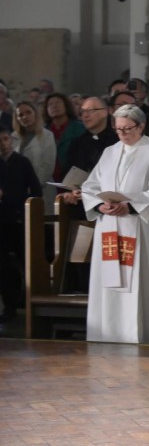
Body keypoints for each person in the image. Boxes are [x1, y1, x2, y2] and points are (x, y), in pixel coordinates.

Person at [80, 105, 149, 344]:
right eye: (118, 128)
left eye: (127, 129)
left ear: (141, 126)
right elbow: (90, 186)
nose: (121, 133)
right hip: (109, 225)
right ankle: (104, 335)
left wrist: (130, 206)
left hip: (138, 225)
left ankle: (138, 336)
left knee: (136, 285)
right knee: (107, 285)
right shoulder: (110, 151)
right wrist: (100, 205)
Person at [0, 125, 42, 322]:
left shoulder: (22, 162)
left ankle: (31, 302)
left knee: (26, 261)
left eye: (5, 139)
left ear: (11, 140)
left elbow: (35, 190)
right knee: (4, 265)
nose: (2, 144)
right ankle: (9, 304)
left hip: (19, 219)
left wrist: (18, 201)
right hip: (1, 221)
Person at [60, 97, 119, 208]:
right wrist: (70, 191)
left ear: (105, 112)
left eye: (90, 111)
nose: (85, 115)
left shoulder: (118, 141)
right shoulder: (77, 143)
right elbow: (67, 173)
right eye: (82, 112)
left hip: (111, 203)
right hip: (81, 204)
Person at [13, 100, 56, 208]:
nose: (24, 117)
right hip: (17, 191)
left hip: (42, 189)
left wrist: (32, 187)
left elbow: (47, 166)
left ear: (35, 113)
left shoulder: (47, 135)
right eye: (20, 115)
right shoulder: (13, 137)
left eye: (28, 112)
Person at [43, 93, 86, 182]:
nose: (54, 106)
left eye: (58, 102)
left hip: (76, 179)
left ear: (66, 105)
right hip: (50, 181)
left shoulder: (80, 127)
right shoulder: (43, 132)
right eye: (50, 104)